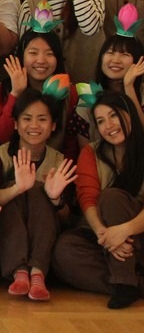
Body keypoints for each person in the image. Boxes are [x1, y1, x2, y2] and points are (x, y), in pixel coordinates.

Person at [0, 87, 77, 301]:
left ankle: (37, 274)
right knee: (22, 189)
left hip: (45, 240)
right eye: (27, 118)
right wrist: (17, 188)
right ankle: (20, 271)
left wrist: (55, 199)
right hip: (2, 241)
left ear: (52, 125)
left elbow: (67, 218)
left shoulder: (60, 162)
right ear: (15, 123)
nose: (34, 126)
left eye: (42, 119)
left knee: (37, 192)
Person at [52, 90, 144, 309]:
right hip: (107, 235)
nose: (109, 126)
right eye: (101, 121)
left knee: (112, 197)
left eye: (114, 115)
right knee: (63, 251)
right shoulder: (92, 152)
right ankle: (134, 282)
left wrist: (124, 230)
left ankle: (123, 281)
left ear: (129, 113)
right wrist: (105, 235)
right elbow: (87, 198)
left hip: (138, 229)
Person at [0, 28, 82, 158]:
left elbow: (71, 145)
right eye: (33, 53)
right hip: (11, 164)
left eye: (49, 54)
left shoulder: (70, 93)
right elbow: (2, 137)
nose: (41, 60)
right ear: (22, 56)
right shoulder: (2, 89)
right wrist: (16, 93)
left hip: (54, 168)